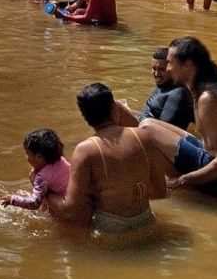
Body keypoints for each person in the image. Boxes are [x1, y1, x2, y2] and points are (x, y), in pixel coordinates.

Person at [45, 83, 167, 233]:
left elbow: (70, 211)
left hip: (110, 229)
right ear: (115, 108)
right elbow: (161, 191)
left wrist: (46, 194)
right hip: (146, 219)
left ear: (85, 117)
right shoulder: (143, 136)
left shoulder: (85, 150)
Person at [138, 36, 217, 198]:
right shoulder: (200, 87)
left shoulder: (208, 98)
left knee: (147, 128)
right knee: (150, 126)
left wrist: (182, 181)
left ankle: (158, 193)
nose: (167, 69)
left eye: (170, 63)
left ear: (188, 66)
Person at [0, 128, 71, 211]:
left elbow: (34, 203)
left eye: (28, 154)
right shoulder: (60, 159)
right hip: (75, 196)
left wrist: (12, 199)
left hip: (65, 206)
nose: (27, 158)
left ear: (39, 156)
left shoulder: (42, 177)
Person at [135, 47, 194, 130]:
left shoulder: (178, 93)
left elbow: (163, 129)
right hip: (145, 126)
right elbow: (147, 111)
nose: (156, 73)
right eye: (154, 68)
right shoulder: (163, 84)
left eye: (162, 69)